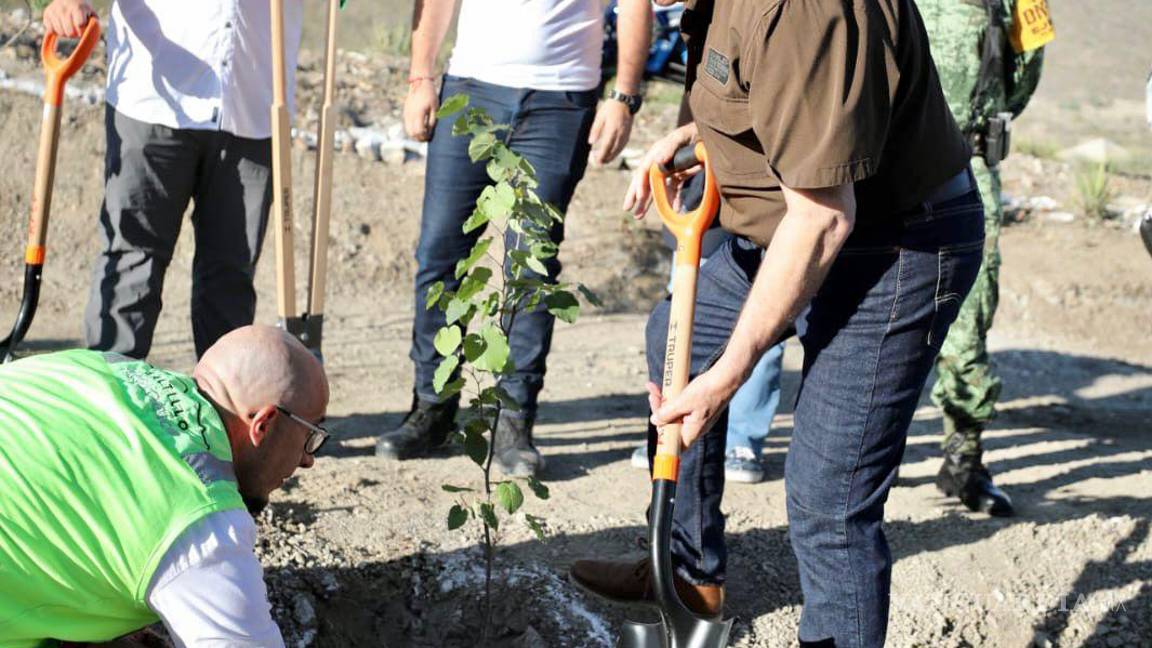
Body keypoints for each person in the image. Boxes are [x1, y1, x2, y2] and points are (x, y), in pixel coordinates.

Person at [570, 0, 984, 644]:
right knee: (677, 342)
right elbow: (776, 95)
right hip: (789, 227)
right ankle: (687, 572)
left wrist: (732, 374)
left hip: (893, 246)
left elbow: (822, 218)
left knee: (829, 500)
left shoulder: (803, 13)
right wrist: (699, 136)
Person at [375, 0, 652, 478]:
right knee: (440, 255)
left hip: (560, 102)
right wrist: (421, 79)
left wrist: (625, 95)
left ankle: (513, 421)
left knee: (532, 265)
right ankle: (432, 407)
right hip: (471, 91)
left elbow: (635, 3)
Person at [0, 325, 329, 647]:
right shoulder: (201, 524)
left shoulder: (100, 366)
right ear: (264, 424)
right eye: (310, 436)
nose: (307, 461)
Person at [42, 0, 304, 360]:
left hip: (253, 100)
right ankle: (114, 400)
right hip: (153, 91)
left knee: (231, 275)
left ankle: (220, 409)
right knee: (131, 260)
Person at [916, 0, 1050, 517]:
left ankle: (964, 459)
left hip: (969, 168)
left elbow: (1023, 78)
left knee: (970, 318)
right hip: (887, 166)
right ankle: (848, 465)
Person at [629, 169, 787, 485]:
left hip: (792, 219)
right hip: (720, 194)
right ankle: (672, 448)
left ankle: (742, 439)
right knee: (672, 326)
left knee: (761, 331)